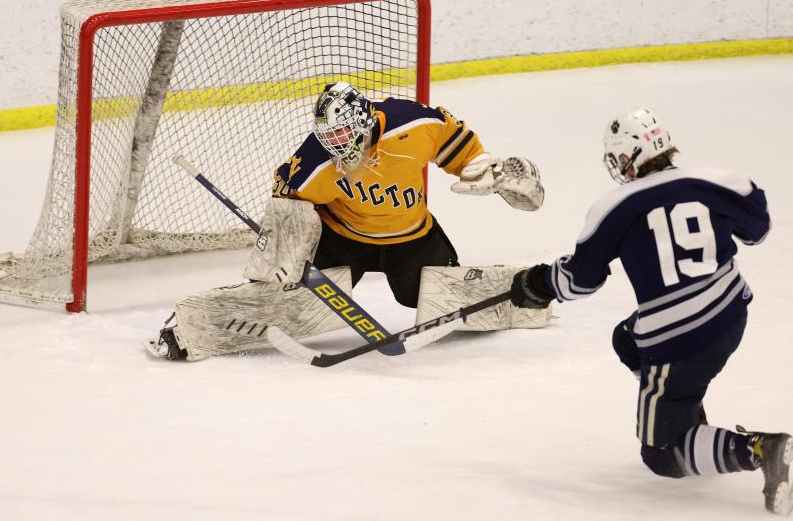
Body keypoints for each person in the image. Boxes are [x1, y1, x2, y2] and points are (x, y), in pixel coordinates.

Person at [510, 107, 791, 516]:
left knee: (662, 453)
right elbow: (759, 228)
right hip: (732, 312)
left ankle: (762, 450)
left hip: (680, 341)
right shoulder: (717, 179)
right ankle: (685, 410)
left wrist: (537, 284)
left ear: (626, 158)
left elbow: (578, 281)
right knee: (627, 338)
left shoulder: (614, 205)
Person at [249, 81, 544, 308]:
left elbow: (456, 143)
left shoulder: (411, 123)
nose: (335, 144)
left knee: (431, 299)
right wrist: (278, 257)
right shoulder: (316, 158)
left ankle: (524, 287)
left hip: (412, 236)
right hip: (343, 239)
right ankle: (266, 299)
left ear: (363, 120)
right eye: (328, 136)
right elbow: (286, 201)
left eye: (341, 134)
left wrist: (486, 170)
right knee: (307, 301)